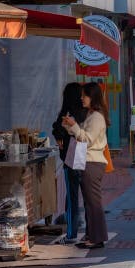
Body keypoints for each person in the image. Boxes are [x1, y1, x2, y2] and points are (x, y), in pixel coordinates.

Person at [62, 82, 109, 249]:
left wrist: (74, 126)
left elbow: (87, 139)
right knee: (89, 202)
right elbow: (82, 134)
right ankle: (92, 236)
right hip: (87, 162)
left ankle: (97, 237)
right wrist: (71, 126)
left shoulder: (96, 117)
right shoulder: (91, 114)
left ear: (92, 97)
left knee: (93, 202)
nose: (82, 98)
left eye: (85, 95)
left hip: (93, 162)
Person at [52, 83, 87, 244]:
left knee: (72, 197)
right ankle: (90, 231)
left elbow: (57, 127)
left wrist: (59, 137)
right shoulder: (87, 113)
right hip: (87, 158)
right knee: (87, 196)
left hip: (71, 158)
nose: (82, 98)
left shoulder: (68, 115)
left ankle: (72, 234)